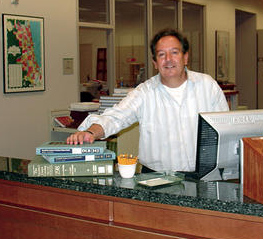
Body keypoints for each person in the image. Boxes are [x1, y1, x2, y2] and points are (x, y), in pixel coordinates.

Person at [67, 28, 229, 172]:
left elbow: (227, 128)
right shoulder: (144, 92)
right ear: (155, 63)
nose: (168, 59)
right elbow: (115, 117)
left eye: (174, 52)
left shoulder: (207, 86)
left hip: (204, 174)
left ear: (185, 57)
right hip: (156, 178)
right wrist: (90, 132)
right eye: (161, 54)